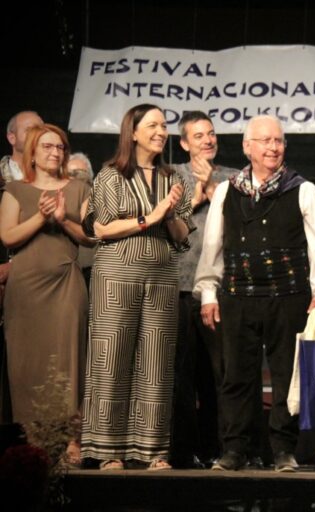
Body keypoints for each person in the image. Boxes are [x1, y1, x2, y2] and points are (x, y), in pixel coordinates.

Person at [194, 115, 315, 472]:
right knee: (236, 377)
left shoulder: (303, 189)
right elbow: (212, 246)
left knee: (287, 374)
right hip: (237, 297)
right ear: (247, 147)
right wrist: (208, 292)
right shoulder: (227, 191)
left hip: (288, 296)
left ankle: (283, 450)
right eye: (265, 141)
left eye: (278, 141)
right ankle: (235, 449)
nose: (273, 147)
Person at [80, 103, 193, 471]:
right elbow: (101, 228)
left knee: (157, 361)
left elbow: (182, 235)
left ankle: (152, 450)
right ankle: (107, 450)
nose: (161, 132)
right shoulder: (111, 175)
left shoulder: (175, 178)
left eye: (164, 125)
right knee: (112, 357)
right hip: (117, 272)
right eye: (153, 125)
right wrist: (150, 217)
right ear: (133, 132)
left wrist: (170, 214)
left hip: (162, 274)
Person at [0, 124, 92, 463]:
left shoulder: (79, 188)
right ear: (33, 153)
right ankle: (35, 442)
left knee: (70, 358)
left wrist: (62, 218)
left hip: (65, 283)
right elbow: (8, 236)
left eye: (60, 147)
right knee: (28, 363)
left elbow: (90, 236)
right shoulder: (15, 190)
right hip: (26, 288)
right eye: (48, 147)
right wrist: (41, 217)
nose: (55, 152)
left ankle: (72, 440)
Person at [168, 111, 239, 469]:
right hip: (179, 287)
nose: (208, 140)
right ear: (184, 143)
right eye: (198, 136)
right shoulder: (170, 175)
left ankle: (220, 448)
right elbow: (166, 223)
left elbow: (239, 221)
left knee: (219, 374)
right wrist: (195, 197)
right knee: (181, 376)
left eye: (211, 133)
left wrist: (211, 185)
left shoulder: (233, 177)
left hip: (219, 291)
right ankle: (184, 451)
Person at [0, 110, 44, 423]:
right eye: (29, 129)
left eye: (41, 129)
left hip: (35, 282)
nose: (36, 134)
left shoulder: (51, 179)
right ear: (11, 137)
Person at [66, 152, 96, 287]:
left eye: (80, 173)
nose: (75, 178)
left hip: (89, 268)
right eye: (70, 173)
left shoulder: (96, 197)